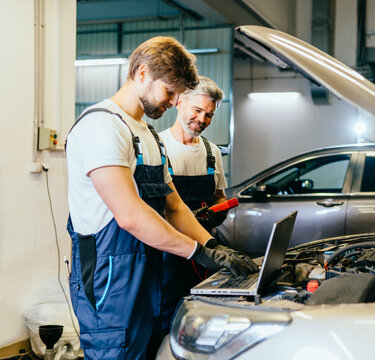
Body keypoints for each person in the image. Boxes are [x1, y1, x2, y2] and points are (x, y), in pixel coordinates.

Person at [65, 36, 257, 360]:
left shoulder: (148, 134)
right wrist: (197, 252)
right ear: (142, 74)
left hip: (148, 282)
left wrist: (213, 247)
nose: (172, 102)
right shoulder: (102, 127)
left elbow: (173, 205)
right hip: (112, 285)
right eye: (169, 92)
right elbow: (129, 214)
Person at [158, 76, 231, 328]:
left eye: (209, 115)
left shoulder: (212, 152)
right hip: (167, 254)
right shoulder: (159, 147)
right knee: (167, 316)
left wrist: (218, 213)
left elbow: (219, 197)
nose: (202, 120)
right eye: (197, 110)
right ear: (179, 102)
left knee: (202, 313)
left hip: (206, 252)